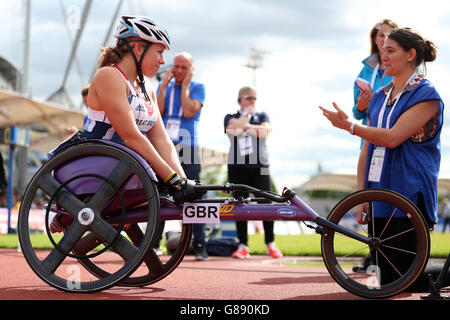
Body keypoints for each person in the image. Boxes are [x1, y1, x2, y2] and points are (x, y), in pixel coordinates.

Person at [50, 15, 205, 232]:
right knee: (156, 178)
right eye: (159, 52)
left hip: (123, 168)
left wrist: (183, 180)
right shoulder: (109, 76)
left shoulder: (147, 86)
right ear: (138, 49)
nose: (163, 61)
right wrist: (171, 179)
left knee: (171, 184)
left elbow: (162, 140)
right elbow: (131, 136)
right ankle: (69, 218)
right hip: (92, 167)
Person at [320, 28, 444, 288]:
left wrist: (350, 126)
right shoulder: (380, 97)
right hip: (380, 192)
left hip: (409, 192)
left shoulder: (426, 95)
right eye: (382, 50)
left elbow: (392, 137)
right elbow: (368, 147)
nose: (383, 56)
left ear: (411, 55)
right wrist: (361, 195)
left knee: (402, 280)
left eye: (391, 51)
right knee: (387, 278)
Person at [156, 52, 208, 261]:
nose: (178, 71)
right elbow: (158, 112)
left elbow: (188, 111)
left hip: (188, 145)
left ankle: (200, 244)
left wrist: (184, 86)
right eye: (175, 66)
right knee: (159, 192)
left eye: (183, 67)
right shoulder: (165, 88)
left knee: (194, 194)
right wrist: (162, 86)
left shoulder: (197, 87)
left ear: (191, 69)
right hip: (165, 144)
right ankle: (153, 243)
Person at [224, 85, 282, 259]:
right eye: (249, 98)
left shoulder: (262, 115)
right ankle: (243, 245)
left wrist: (244, 126)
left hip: (261, 166)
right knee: (239, 204)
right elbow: (232, 131)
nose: (252, 102)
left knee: (267, 202)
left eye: (255, 99)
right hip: (237, 167)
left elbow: (264, 132)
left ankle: (270, 243)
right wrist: (245, 121)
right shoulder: (230, 116)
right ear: (240, 99)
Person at [353, 19, 398, 148]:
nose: (385, 39)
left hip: (394, 138)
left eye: (390, 35)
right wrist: (360, 107)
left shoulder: (406, 66)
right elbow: (357, 113)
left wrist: (379, 101)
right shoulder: (365, 72)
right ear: (375, 39)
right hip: (368, 141)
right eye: (381, 35)